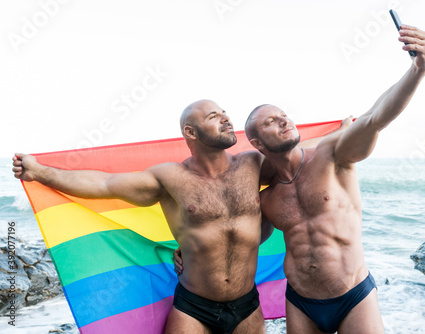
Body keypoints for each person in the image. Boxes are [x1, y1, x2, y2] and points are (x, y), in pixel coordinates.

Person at [12, 99, 351, 334]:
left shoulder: (253, 165)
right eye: (213, 117)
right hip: (194, 307)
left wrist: (346, 131)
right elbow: (104, 183)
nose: (226, 119)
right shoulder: (169, 178)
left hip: (247, 305)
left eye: (225, 113)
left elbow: (305, 151)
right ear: (191, 132)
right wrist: (41, 173)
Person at [243, 25, 425, 333]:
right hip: (301, 301)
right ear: (257, 143)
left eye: (283, 115)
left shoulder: (331, 154)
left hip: (353, 295)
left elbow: (375, 117)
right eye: (270, 121)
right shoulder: (267, 197)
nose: (283, 119)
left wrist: (418, 70)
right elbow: (243, 238)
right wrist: (188, 248)